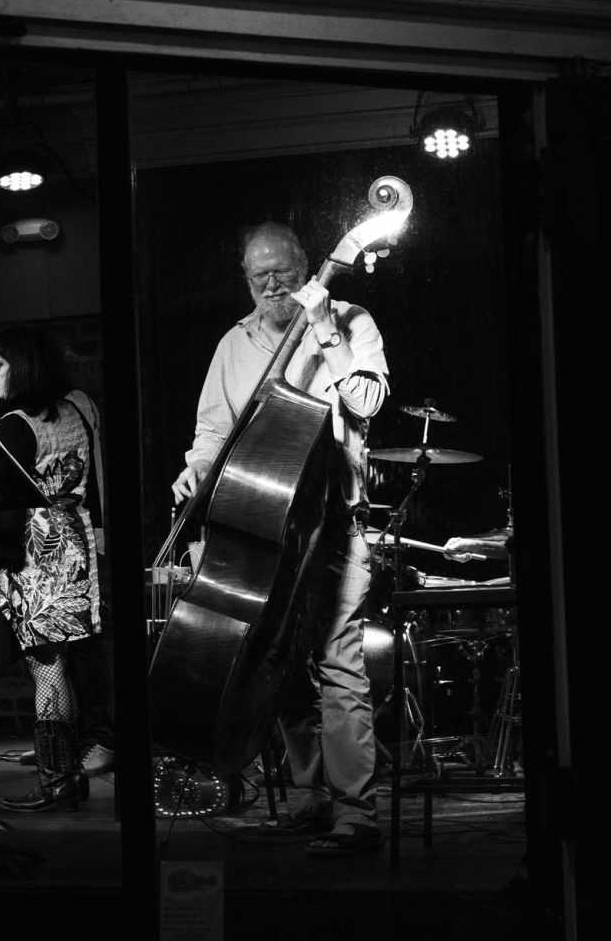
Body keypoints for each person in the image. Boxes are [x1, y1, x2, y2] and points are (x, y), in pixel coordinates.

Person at [171, 221, 389, 856]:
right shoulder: (232, 345)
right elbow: (213, 431)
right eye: (258, 276)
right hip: (265, 527)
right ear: (245, 277)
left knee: (339, 663)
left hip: (335, 520)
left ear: (307, 266)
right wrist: (196, 471)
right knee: (282, 667)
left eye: (283, 272)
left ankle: (357, 815)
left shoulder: (352, 319)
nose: (271, 285)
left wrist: (323, 324)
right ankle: (309, 799)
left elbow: (367, 402)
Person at [0, 324, 109, 811]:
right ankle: (66, 769)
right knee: (62, 664)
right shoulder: (80, 407)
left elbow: (0, 510)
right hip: (74, 548)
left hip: (33, 558)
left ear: (21, 366)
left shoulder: (14, 426)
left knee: (46, 671)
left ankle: (57, 779)